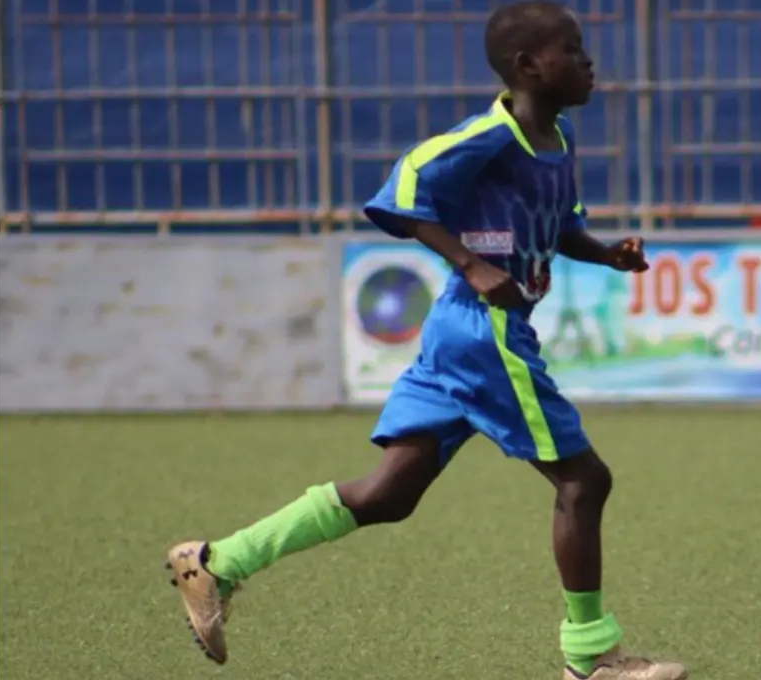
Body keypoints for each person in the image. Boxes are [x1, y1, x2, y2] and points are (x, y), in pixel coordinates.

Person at [163, 3, 689, 678]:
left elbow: (559, 227)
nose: (589, 63)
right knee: (584, 480)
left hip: (465, 332)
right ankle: (591, 659)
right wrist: (470, 261)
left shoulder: (556, 139)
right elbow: (403, 186)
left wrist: (608, 253)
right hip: (482, 330)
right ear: (529, 66)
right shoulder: (489, 136)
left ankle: (218, 563)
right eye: (573, 50)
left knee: (389, 495)